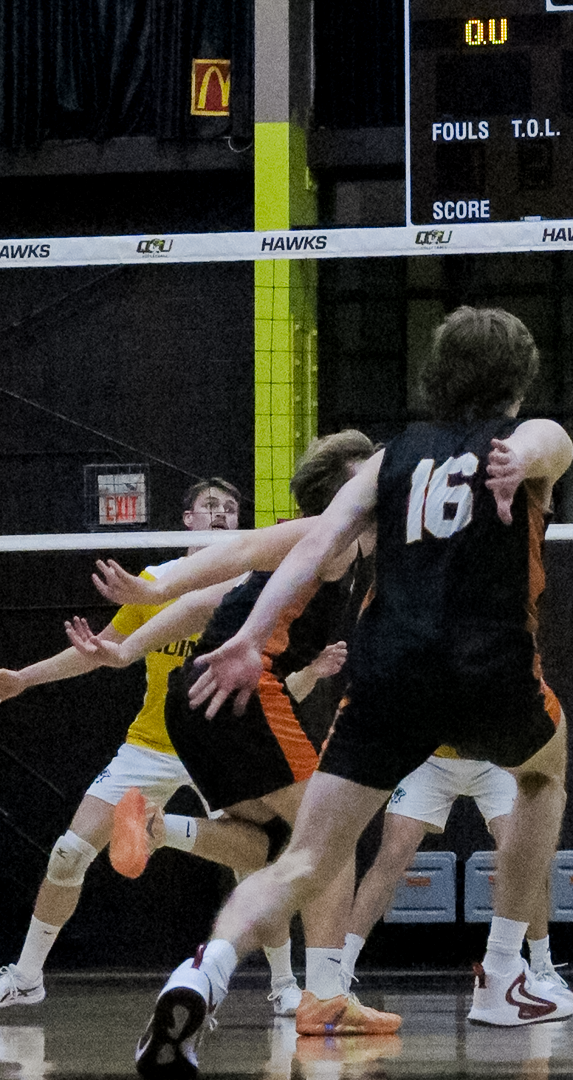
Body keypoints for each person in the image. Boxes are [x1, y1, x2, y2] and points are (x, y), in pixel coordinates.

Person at [131, 305, 573, 1079]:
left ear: (438, 375)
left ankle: (201, 974)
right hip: (488, 667)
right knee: (545, 771)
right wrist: (519, 462)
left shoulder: (390, 459)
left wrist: (245, 637)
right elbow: (546, 442)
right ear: (517, 381)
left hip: (389, 673)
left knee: (304, 860)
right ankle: (504, 969)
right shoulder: (528, 437)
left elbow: (311, 551)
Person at [70, 429, 397, 1038]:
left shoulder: (340, 555)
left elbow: (211, 603)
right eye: (371, 471)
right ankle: (326, 997)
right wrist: (157, 587)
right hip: (244, 690)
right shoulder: (327, 535)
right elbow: (241, 549)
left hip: (192, 701)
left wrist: (126, 648)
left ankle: (158, 827)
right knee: (331, 837)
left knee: (271, 846)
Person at [0, 477, 287, 1012]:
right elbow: (101, 650)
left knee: (257, 863)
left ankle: (285, 987)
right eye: (211, 507)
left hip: (223, 744)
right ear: (186, 520)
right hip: (153, 743)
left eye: (231, 509)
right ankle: (26, 978)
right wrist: (24, 678)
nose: (223, 516)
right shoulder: (152, 583)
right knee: (68, 854)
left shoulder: (255, 587)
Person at [340, 748, 560, 996]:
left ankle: (542, 966)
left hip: (496, 759)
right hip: (430, 759)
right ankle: (339, 970)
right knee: (393, 853)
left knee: (523, 856)